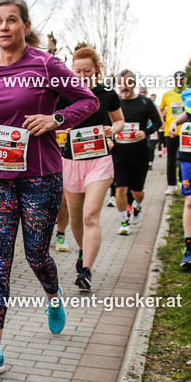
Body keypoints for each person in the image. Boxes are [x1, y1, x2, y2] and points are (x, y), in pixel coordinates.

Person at [0, 0, 98, 375]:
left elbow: (88, 101)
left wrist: (56, 119)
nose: (4, 27)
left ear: (25, 25)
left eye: (11, 21)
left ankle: (53, 296)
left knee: (36, 254)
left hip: (40, 176)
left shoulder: (45, 64)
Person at [60, 47, 124, 290]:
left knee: (89, 215)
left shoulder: (106, 93)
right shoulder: (64, 94)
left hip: (99, 160)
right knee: (76, 219)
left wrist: (112, 130)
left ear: (97, 69)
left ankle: (86, 271)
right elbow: (53, 121)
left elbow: (119, 120)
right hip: (71, 162)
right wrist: (60, 129)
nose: (82, 75)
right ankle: (83, 251)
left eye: (87, 70)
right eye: (77, 71)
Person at [168, 52, 191, 269]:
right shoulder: (188, 94)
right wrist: (175, 123)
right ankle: (189, 249)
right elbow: (188, 113)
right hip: (190, 153)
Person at [112, 71, 162, 234]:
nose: (124, 87)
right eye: (121, 83)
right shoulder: (115, 103)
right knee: (120, 188)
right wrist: (108, 139)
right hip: (118, 152)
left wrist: (145, 132)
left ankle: (137, 206)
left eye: (127, 83)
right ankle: (124, 222)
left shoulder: (144, 102)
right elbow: (105, 123)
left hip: (139, 152)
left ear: (133, 83)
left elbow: (157, 123)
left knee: (137, 191)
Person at [160, 70, 186, 194]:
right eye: (177, 79)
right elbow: (160, 110)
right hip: (170, 132)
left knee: (183, 159)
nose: (179, 81)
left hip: (185, 131)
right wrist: (162, 122)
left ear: (184, 79)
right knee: (170, 160)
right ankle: (171, 185)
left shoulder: (188, 93)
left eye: (181, 79)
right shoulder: (167, 95)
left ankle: (181, 181)